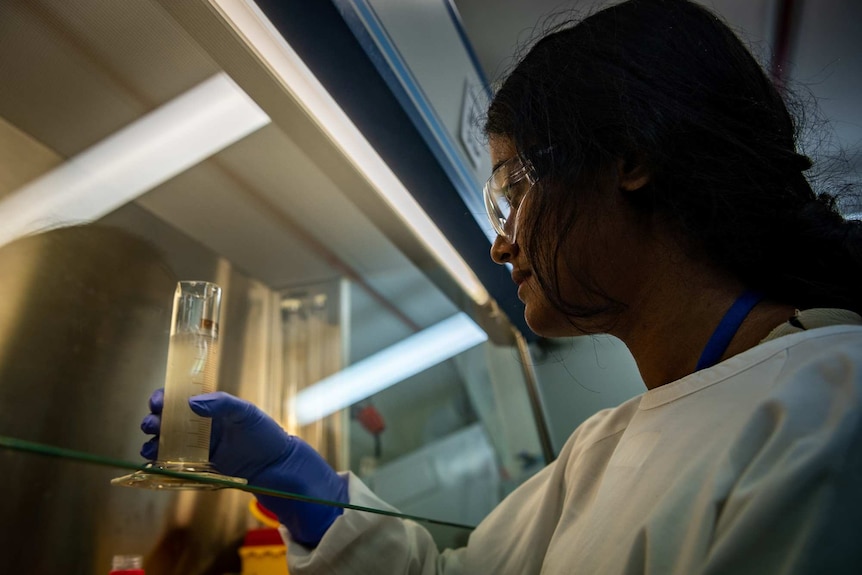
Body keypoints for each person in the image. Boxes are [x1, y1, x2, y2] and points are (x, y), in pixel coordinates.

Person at [140, 0, 862, 572]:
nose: (500, 240)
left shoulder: (831, 405)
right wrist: (307, 494)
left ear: (631, 156)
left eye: (516, 187)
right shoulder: (601, 447)